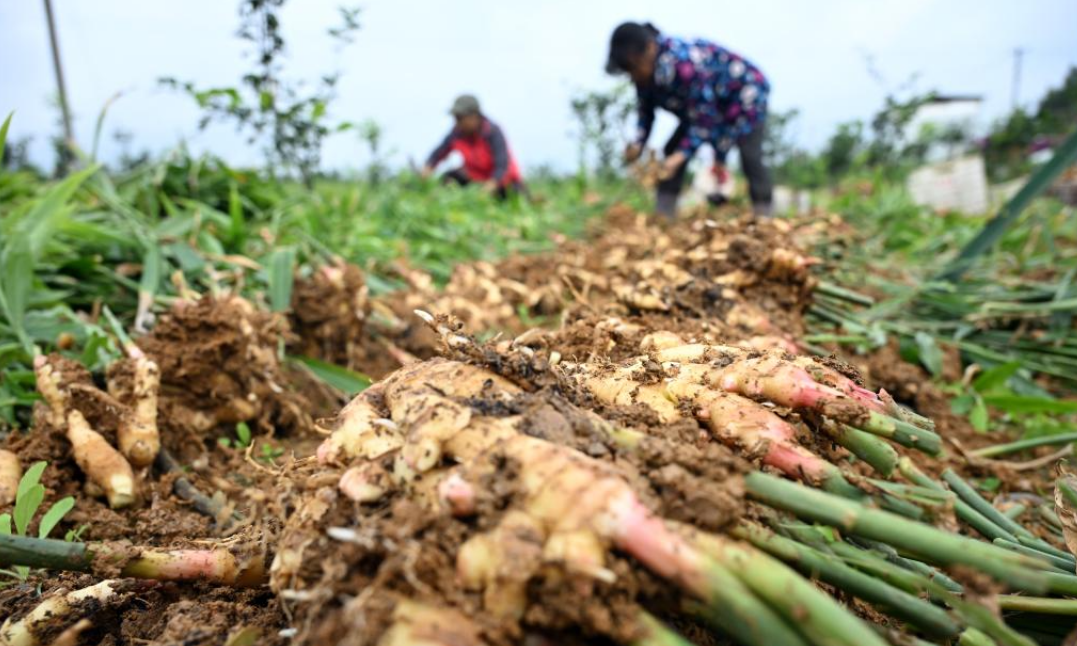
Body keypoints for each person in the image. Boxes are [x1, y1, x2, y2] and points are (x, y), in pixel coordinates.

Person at [606, 22, 773, 217]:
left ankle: (764, 217)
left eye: (635, 67)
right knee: (671, 151)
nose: (633, 75)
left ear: (650, 48)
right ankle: (663, 217)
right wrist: (638, 144)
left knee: (750, 155)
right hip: (703, 108)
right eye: (628, 71)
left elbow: (705, 118)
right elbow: (646, 112)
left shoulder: (684, 65)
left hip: (745, 96)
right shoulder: (643, 77)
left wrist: (680, 157)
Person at [422, 94, 526, 200]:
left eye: (460, 118)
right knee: (449, 178)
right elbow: (438, 153)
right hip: (477, 179)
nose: (457, 123)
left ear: (474, 116)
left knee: (512, 194)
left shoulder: (492, 132)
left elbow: (502, 165)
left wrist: (490, 187)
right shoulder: (457, 133)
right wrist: (427, 169)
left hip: (502, 182)